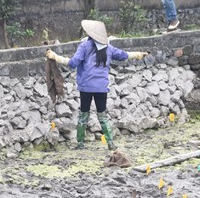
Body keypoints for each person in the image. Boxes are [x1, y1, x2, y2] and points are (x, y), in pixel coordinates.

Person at [45, 20, 148, 150]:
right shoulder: (109, 48)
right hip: (101, 88)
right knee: (102, 115)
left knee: (84, 114)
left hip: (86, 87)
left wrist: (55, 56)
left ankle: (80, 144)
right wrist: (139, 54)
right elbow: (124, 55)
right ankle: (110, 143)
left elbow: (72, 63)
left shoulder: (84, 46)